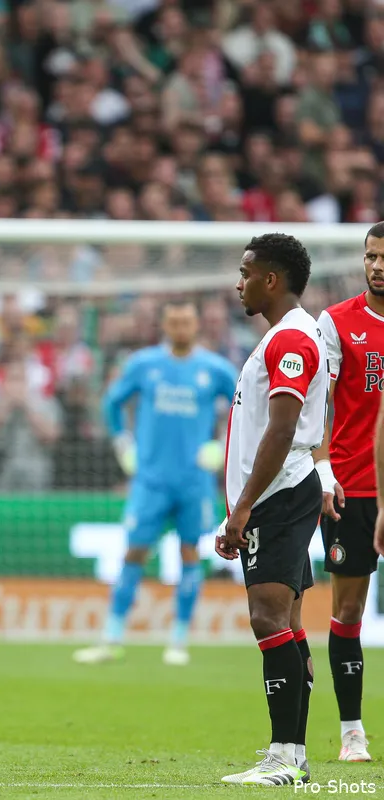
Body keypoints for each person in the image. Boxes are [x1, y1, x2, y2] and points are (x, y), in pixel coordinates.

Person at [216, 233, 326, 786]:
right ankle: (292, 756)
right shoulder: (286, 337)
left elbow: (283, 430)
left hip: (278, 494)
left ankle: (284, 758)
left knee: (267, 618)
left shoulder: (290, 342)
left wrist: (241, 509)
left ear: (272, 280)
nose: (239, 282)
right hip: (279, 492)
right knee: (287, 622)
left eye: (246, 271)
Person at [74, 303, 238, 666]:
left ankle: (179, 640)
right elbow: (113, 403)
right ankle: (111, 638)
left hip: (193, 481)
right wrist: (122, 442)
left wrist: (221, 444)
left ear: (196, 325)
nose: (180, 326)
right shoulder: (143, 365)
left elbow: (245, 406)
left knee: (190, 553)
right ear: (165, 324)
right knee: (134, 552)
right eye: (174, 321)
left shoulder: (214, 369)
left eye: (186, 320)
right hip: (150, 479)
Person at [312, 222, 384, 764]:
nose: (377, 265)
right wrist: (322, 468)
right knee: (349, 608)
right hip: (355, 487)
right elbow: (317, 403)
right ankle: (352, 730)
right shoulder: (336, 322)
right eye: (371, 256)